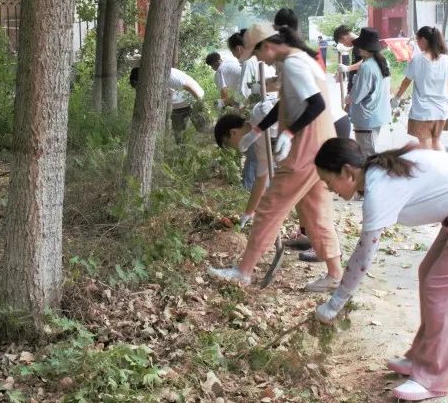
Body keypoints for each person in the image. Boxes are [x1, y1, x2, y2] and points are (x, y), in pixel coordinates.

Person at [312, 138, 448, 401]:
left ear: (347, 172)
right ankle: (421, 357)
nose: (330, 190)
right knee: (428, 272)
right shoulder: (378, 172)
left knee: (443, 292)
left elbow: (363, 256)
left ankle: (433, 378)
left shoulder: (379, 188)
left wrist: (335, 303)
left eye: (329, 182)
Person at [208, 22, 343, 292]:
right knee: (315, 211)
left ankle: (244, 272)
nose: (259, 60)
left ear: (267, 46)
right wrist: (258, 130)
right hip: (321, 148)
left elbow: (316, 104)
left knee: (269, 208)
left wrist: (289, 133)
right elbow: (286, 103)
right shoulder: (297, 60)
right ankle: (335, 274)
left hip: (305, 149)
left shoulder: (293, 64)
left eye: (257, 54)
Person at [214, 101, 276, 230]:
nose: (233, 148)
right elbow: (260, 180)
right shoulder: (260, 148)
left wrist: (271, 105)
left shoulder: (259, 112)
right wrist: (248, 213)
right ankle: (305, 234)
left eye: (228, 144)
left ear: (233, 132)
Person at [392, 26, 448, 151]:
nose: (417, 43)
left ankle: (428, 164)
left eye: (418, 40)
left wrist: (397, 98)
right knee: (436, 141)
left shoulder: (418, 60)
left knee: (425, 143)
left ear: (424, 40)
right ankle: (441, 163)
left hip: (423, 111)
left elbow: (406, 82)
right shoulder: (446, 59)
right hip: (442, 110)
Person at [345, 28, 391, 156]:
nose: (358, 48)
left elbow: (357, 96)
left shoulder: (366, 67)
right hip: (378, 113)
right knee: (370, 149)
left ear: (366, 48)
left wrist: (348, 98)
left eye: (360, 45)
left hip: (366, 118)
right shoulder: (384, 61)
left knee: (367, 154)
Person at [128, 66, 204, 142]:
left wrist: (200, 103)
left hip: (193, 101)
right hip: (178, 106)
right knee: (179, 136)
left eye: (138, 85)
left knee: (203, 129)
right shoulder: (152, 82)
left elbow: (189, 86)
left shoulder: (168, 76)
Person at [333, 24, 361, 92]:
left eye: (342, 43)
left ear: (344, 37)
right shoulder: (356, 45)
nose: (344, 45)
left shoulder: (363, 43)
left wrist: (348, 68)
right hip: (354, 86)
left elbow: (368, 61)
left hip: (360, 86)